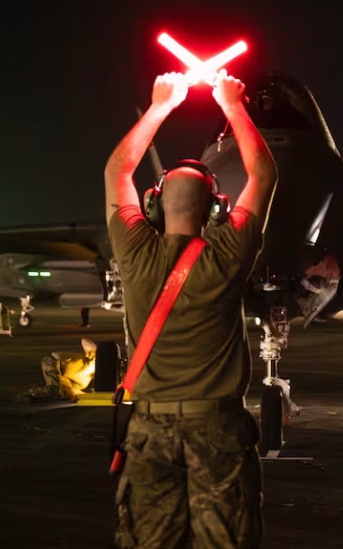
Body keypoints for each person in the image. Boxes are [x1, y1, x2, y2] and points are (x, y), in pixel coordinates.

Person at [104, 70, 278, 548]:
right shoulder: (227, 254)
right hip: (217, 428)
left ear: (153, 204)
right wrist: (233, 105)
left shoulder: (134, 251)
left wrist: (160, 105)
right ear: (217, 209)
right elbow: (264, 174)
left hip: (149, 430)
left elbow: (117, 171)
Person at [23, 338, 97, 401]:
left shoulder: (83, 382)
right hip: (53, 361)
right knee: (54, 389)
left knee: (62, 393)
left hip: (61, 375)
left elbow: (72, 390)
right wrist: (98, 351)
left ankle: (33, 394)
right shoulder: (94, 359)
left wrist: (88, 396)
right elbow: (84, 341)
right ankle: (27, 393)